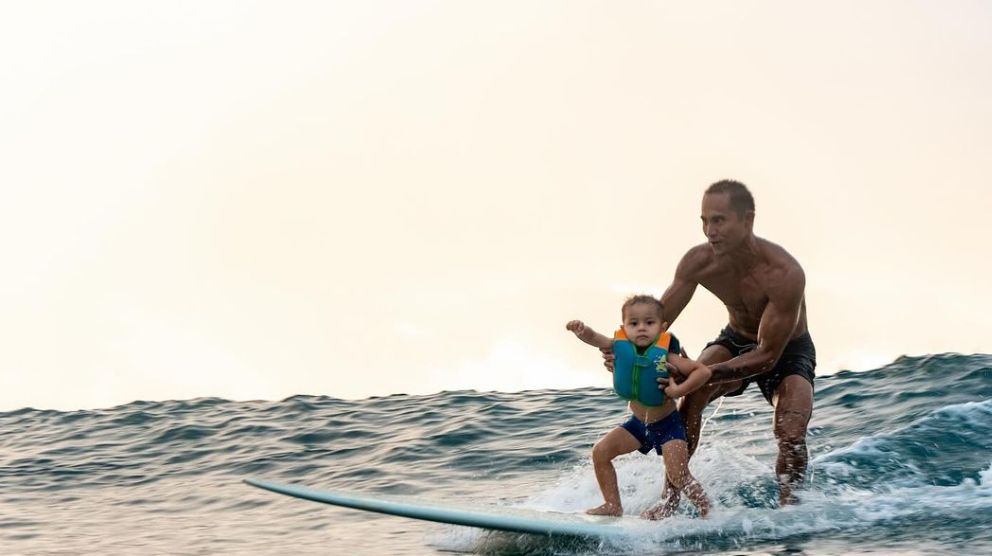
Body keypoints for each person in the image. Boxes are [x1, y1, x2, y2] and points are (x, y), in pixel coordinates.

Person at [606, 179, 816, 510]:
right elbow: (656, 325)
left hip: (787, 350)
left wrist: (703, 372)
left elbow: (767, 355)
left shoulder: (783, 273)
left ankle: (791, 510)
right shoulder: (699, 262)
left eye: (718, 220)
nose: (709, 230)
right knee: (692, 395)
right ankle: (669, 503)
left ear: (747, 220)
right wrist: (624, 354)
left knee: (790, 432)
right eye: (704, 221)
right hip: (734, 338)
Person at [567, 295, 712, 519]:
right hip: (638, 425)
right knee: (600, 453)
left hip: (668, 427)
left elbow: (703, 371)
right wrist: (581, 330)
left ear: (662, 327)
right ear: (623, 327)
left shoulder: (666, 355)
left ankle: (707, 511)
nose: (641, 328)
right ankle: (612, 505)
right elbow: (595, 338)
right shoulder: (618, 347)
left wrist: (677, 391)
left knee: (678, 476)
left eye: (649, 323)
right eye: (634, 323)